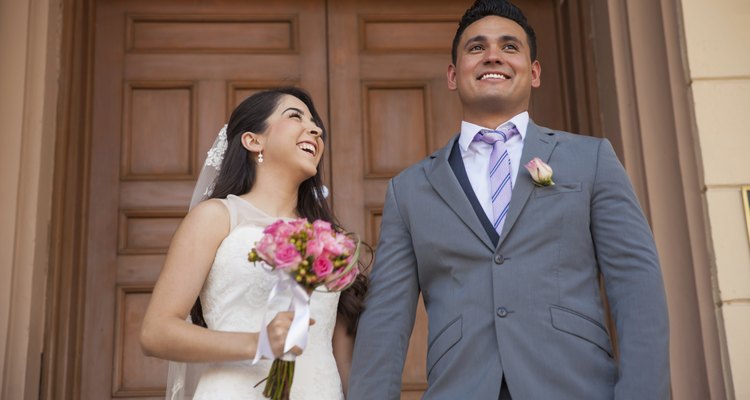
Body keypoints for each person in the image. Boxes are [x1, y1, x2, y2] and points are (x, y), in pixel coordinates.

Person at [348, 1, 670, 399]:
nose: (493, 56)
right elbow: (384, 322)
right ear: (453, 74)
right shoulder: (409, 189)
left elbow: (637, 285)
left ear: (534, 73)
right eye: (476, 47)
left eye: (510, 46)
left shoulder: (591, 159)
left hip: (575, 386)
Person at [140, 87, 365, 399]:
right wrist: (259, 343)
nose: (315, 129)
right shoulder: (217, 217)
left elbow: (342, 355)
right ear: (253, 140)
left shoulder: (329, 240)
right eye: (295, 116)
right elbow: (156, 332)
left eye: (316, 125)